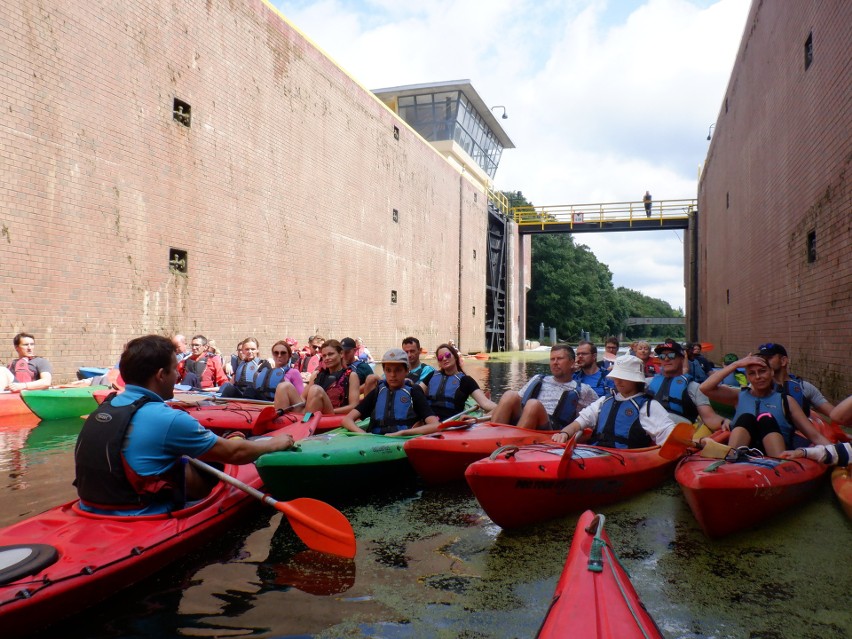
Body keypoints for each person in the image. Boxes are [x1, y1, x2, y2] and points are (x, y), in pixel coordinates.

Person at [74, 335, 295, 516]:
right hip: (142, 511)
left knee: (181, 456)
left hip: (90, 507)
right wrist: (275, 443)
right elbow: (235, 454)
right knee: (203, 462)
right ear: (161, 375)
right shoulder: (168, 418)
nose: (177, 376)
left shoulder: (104, 408)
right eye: (173, 370)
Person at [699, 354, 830, 456]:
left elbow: (815, 436)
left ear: (771, 372)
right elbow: (705, 388)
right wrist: (736, 364)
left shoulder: (786, 400)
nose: (758, 377)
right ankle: (731, 459)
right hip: (743, 452)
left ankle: (777, 465)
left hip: (776, 455)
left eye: (762, 371)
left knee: (766, 419)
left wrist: (837, 451)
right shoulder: (738, 396)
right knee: (746, 418)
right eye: (752, 373)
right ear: (748, 377)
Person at [552, 355, 676, 448]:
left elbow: (669, 434)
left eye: (624, 378)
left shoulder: (649, 406)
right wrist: (565, 433)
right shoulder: (604, 401)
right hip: (597, 451)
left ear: (636, 380)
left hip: (627, 457)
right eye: (617, 377)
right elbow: (580, 422)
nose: (618, 381)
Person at [490, 344, 598, 430]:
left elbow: (599, 410)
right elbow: (512, 403)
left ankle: (512, 444)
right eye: (552, 359)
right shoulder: (539, 378)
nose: (555, 363)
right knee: (510, 395)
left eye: (559, 359)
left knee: (533, 404)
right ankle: (491, 435)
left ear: (572, 363)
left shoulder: (584, 390)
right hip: (525, 417)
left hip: (551, 428)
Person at [341, 349, 438, 435]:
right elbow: (347, 420)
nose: (392, 375)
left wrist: (404, 433)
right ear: (384, 371)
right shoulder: (378, 392)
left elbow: (435, 425)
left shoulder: (414, 392)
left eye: (398, 370)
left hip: (401, 442)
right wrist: (364, 434)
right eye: (388, 370)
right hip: (374, 441)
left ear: (407, 371)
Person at [647, 339, 728, 431]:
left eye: (671, 355)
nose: (666, 359)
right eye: (662, 356)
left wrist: (724, 422)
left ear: (682, 358)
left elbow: (709, 418)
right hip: (651, 430)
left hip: (680, 432)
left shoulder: (694, 388)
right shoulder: (647, 384)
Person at [420, 343, 496, 421]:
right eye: (440, 358)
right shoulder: (432, 375)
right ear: (439, 362)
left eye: (447, 355)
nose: (444, 359)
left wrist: (502, 407)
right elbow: (417, 392)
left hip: (452, 422)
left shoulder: (466, 380)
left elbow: (485, 403)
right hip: (430, 421)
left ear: (455, 357)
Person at [282, 339, 360, 415]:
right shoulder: (317, 375)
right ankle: (281, 421)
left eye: (330, 354)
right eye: (324, 356)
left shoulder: (351, 376)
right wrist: (296, 406)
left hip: (331, 413)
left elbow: (354, 406)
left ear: (341, 354)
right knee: (284, 386)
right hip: (311, 412)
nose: (327, 358)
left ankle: (306, 421)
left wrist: (325, 411)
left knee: (315, 389)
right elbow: (303, 397)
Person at [756, 342, 835, 417]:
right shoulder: (757, 386)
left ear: (783, 361)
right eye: (762, 359)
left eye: (769, 358)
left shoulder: (804, 387)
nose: (764, 362)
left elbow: (833, 414)